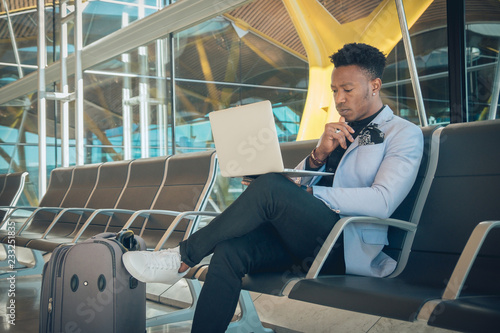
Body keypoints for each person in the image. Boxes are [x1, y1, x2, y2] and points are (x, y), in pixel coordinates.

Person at [123, 43, 424, 332]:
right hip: (303, 241)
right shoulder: (334, 132)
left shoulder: (403, 134)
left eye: (348, 90)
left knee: (269, 186)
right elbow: (298, 187)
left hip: (346, 246)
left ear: (374, 85)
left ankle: (182, 256)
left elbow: (383, 201)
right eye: (334, 90)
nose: (339, 99)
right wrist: (318, 156)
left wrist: (309, 194)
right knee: (229, 252)